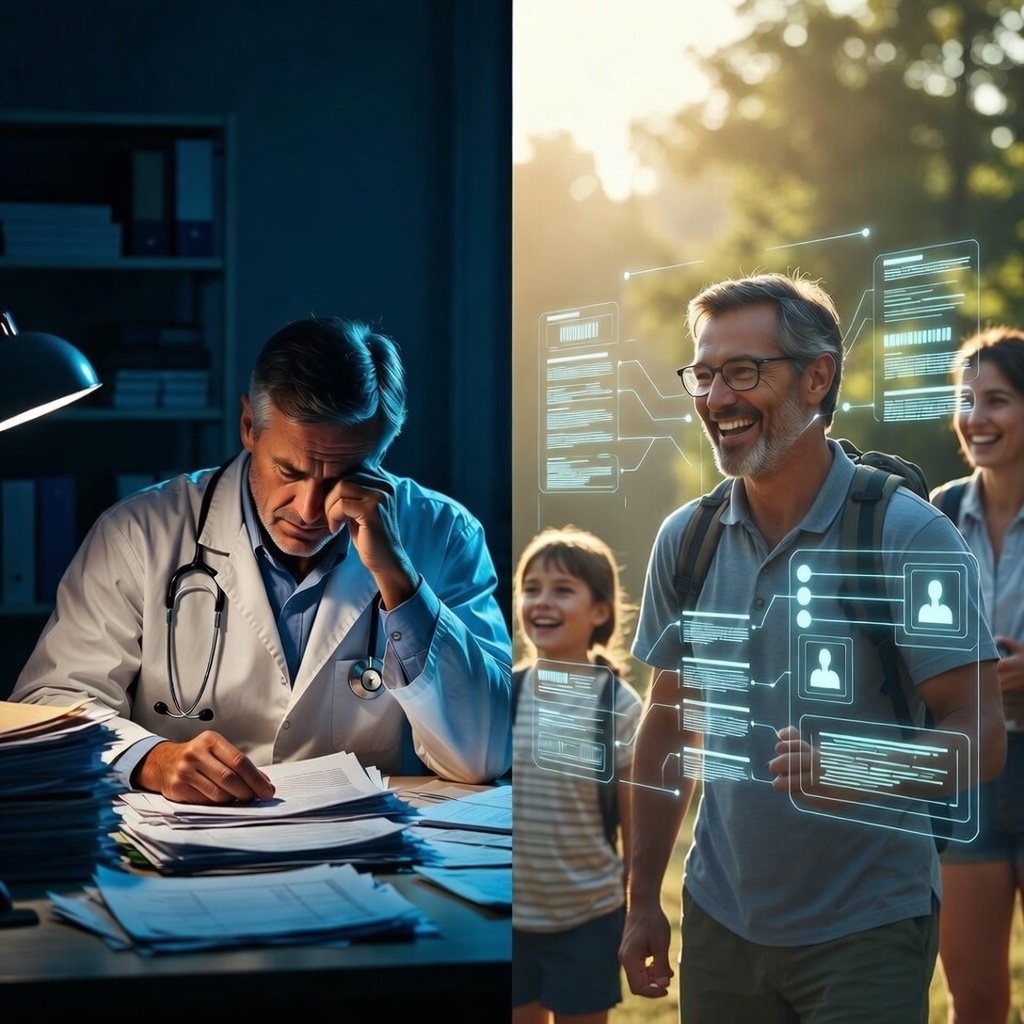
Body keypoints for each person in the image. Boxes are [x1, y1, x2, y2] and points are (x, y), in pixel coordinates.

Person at [618, 272, 1006, 1023]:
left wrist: (860, 766)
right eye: (704, 374)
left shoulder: (910, 536)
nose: (717, 398)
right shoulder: (686, 542)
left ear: (818, 376)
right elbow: (667, 727)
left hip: (868, 928)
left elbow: (982, 738)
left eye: (743, 371)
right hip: (721, 923)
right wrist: (641, 903)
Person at [12, 316, 512, 802]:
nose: (312, 510)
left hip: (362, 855)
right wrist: (151, 758)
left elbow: (486, 755)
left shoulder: (445, 534)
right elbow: (50, 704)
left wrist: (399, 580)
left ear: (382, 449)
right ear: (250, 425)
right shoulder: (137, 532)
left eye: (346, 475)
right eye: (290, 471)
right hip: (189, 847)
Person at [512, 526, 642, 1024]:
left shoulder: (620, 709)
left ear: (600, 611)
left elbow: (636, 831)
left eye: (563, 590)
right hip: (512, 917)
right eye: (532, 588)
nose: (543, 602)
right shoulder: (508, 692)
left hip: (587, 918)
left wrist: (635, 910)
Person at [933, 326, 1024, 1024]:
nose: (975, 419)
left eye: (996, 400)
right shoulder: (934, 516)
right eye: (966, 400)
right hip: (969, 766)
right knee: (975, 998)